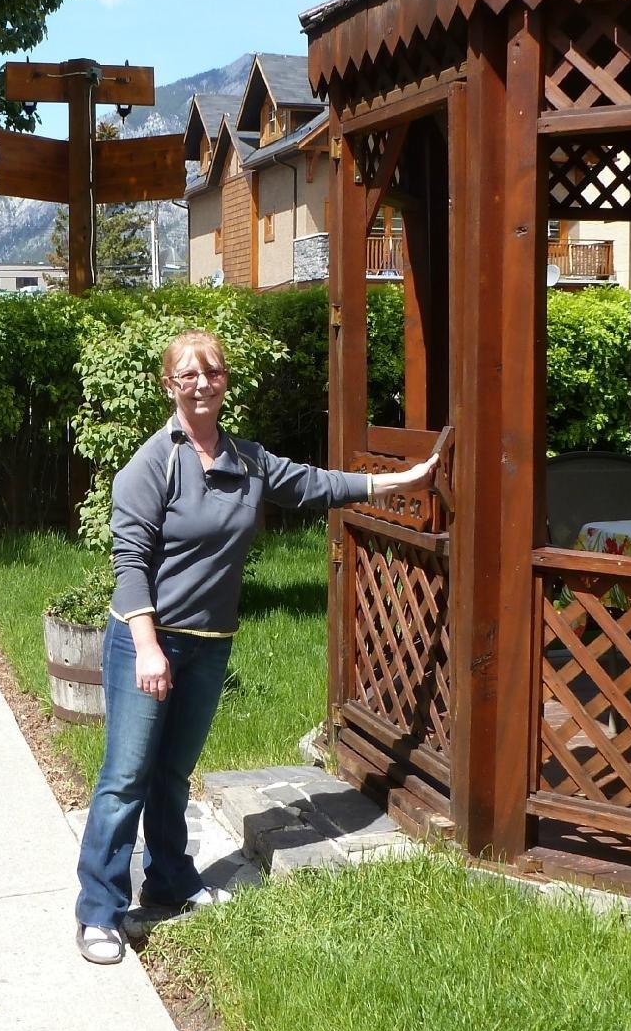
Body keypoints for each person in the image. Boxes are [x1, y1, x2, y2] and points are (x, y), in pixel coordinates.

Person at [74, 327, 437, 964]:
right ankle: (99, 911)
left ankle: (169, 882)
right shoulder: (153, 464)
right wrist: (150, 647)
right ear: (170, 386)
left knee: (172, 775)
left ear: (225, 382)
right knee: (125, 779)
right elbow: (129, 564)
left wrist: (395, 483)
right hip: (146, 643)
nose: (201, 384)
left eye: (212, 372)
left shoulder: (246, 460)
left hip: (210, 644)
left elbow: (315, 485)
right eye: (188, 375)